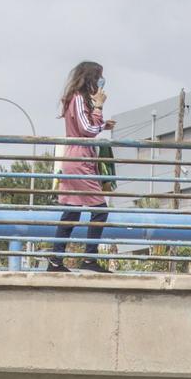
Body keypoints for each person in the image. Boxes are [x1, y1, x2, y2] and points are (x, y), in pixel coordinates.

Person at [47, 61, 115, 273]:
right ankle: (88, 259)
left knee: (72, 212)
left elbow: (90, 126)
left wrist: (102, 122)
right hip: (79, 160)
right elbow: (87, 129)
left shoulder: (79, 100)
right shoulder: (77, 98)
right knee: (99, 210)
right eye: (99, 77)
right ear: (91, 78)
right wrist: (99, 107)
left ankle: (55, 261)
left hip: (79, 158)